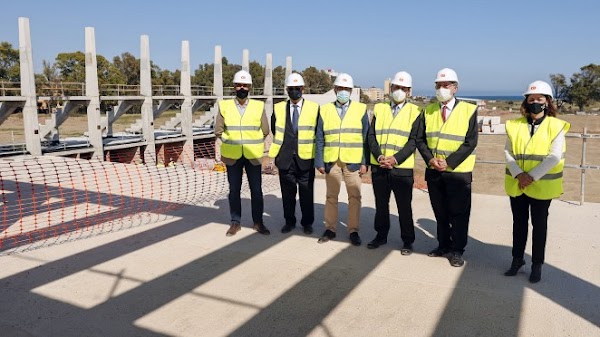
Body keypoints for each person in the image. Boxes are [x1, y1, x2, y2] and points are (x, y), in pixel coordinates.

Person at [503, 80, 570, 283]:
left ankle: (537, 265)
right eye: (531, 99)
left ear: (547, 102)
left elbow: (554, 157)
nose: (535, 102)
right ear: (526, 101)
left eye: (539, 99)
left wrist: (530, 177)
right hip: (518, 184)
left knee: (539, 226)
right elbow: (508, 152)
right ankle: (517, 260)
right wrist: (519, 175)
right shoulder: (514, 126)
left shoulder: (556, 126)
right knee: (519, 224)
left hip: (541, 187)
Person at [416, 68, 478, 267]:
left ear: (455, 88)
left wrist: (450, 162)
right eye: (438, 86)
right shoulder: (428, 110)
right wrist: (430, 159)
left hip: (458, 173)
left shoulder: (469, 110)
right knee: (440, 212)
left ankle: (458, 250)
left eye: (446, 85)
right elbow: (420, 139)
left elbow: (470, 142)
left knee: (459, 214)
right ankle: (443, 244)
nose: (441, 89)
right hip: (434, 171)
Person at [366, 71, 421, 254]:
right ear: (390, 89)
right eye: (396, 87)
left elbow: (413, 141)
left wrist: (396, 159)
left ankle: (407, 241)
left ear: (409, 91)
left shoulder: (415, 112)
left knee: (404, 207)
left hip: (402, 169)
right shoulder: (380, 109)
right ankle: (380, 236)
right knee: (381, 205)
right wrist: (380, 156)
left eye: (403, 88)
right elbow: (371, 135)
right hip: (380, 166)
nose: (399, 91)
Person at [214, 70, 271, 236]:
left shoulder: (258, 106)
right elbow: (218, 130)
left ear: (250, 87)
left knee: (257, 191)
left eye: (245, 85)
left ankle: (258, 222)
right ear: (234, 86)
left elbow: (265, 130)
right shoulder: (224, 106)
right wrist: (232, 141)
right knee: (234, 190)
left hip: (253, 155)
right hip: (232, 156)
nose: (242, 87)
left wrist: (251, 142)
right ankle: (235, 222)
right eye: (239, 84)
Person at [315, 73, 368, 246]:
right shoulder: (324, 109)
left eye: (346, 89)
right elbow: (320, 138)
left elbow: (365, 137)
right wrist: (319, 162)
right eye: (340, 88)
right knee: (331, 196)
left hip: (352, 162)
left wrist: (364, 162)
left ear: (351, 91)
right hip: (332, 162)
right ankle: (330, 229)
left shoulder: (361, 109)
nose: (343, 91)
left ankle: (353, 231)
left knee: (354, 197)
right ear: (335, 89)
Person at [268, 73, 319, 235]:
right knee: (287, 195)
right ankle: (289, 221)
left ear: (303, 89)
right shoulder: (278, 108)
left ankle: (307, 223)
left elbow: (318, 133)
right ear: (287, 90)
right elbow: (275, 129)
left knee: (306, 194)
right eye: (291, 89)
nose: (294, 91)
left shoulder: (314, 108)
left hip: (306, 159)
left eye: (297, 88)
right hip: (285, 158)